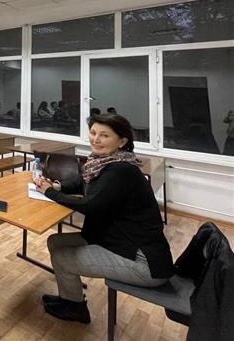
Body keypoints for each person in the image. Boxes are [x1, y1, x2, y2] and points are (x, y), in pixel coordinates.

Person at [35, 113, 173, 324]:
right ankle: (70, 297)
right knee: (55, 241)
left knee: (62, 258)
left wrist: (49, 192)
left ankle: (75, 309)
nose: (96, 139)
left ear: (122, 141)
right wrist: (58, 186)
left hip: (142, 261)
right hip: (115, 241)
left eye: (104, 135)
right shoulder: (102, 163)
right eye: (93, 133)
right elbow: (82, 182)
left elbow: (90, 206)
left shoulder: (121, 171)